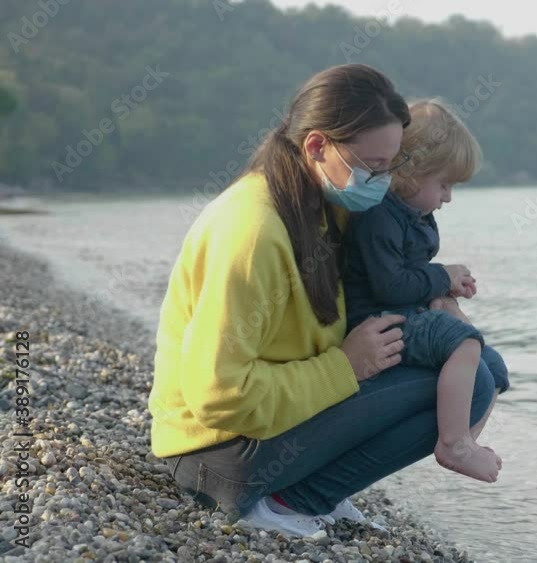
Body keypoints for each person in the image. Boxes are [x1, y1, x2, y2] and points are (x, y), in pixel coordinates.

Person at [147, 64, 505, 538]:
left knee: (478, 364)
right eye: (374, 166)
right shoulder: (251, 231)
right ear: (317, 146)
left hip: (261, 433)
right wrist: (346, 366)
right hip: (214, 456)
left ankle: (313, 492)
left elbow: (376, 290)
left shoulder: (328, 206)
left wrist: (438, 299)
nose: (384, 182)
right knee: (472, 383)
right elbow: (219, 396)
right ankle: (294, 500)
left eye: (392, 166)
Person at [343, 99, 510, 483]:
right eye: (444, 184)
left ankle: (466, 440)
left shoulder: (415, 213)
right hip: (377, 321)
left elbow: (410, 273)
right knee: (464, 343)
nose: (448, 197)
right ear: (410, 172)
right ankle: (454, 444)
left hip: (405, 311)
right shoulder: (378, 215)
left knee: (495, 367)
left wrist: (442, 293)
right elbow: (389, 284)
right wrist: (441, 277)